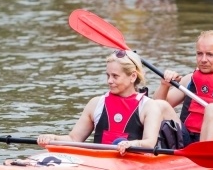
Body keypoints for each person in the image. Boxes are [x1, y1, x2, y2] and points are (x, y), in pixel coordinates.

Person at [37, 50, 183, 154]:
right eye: (108, 75)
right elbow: (74, 138)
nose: (109, 81)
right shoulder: (96, 104)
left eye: (115, 76)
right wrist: (53, 138)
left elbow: (149, 142)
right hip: (100, 163)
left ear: (132, 76)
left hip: (133, 162)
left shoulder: (148, 106)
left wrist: (130, 144)